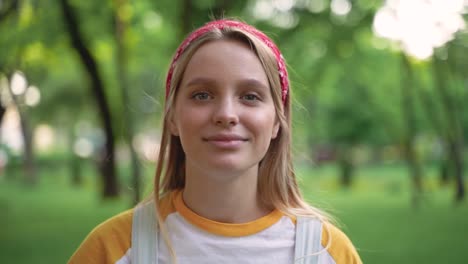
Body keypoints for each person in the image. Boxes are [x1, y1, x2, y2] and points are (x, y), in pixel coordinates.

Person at [68, 19, 362, 264]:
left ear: (276, 121)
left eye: (250, 96)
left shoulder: (327, 252)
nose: (226, 115)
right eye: (202, 95)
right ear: (172, 117)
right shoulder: (112, 249)